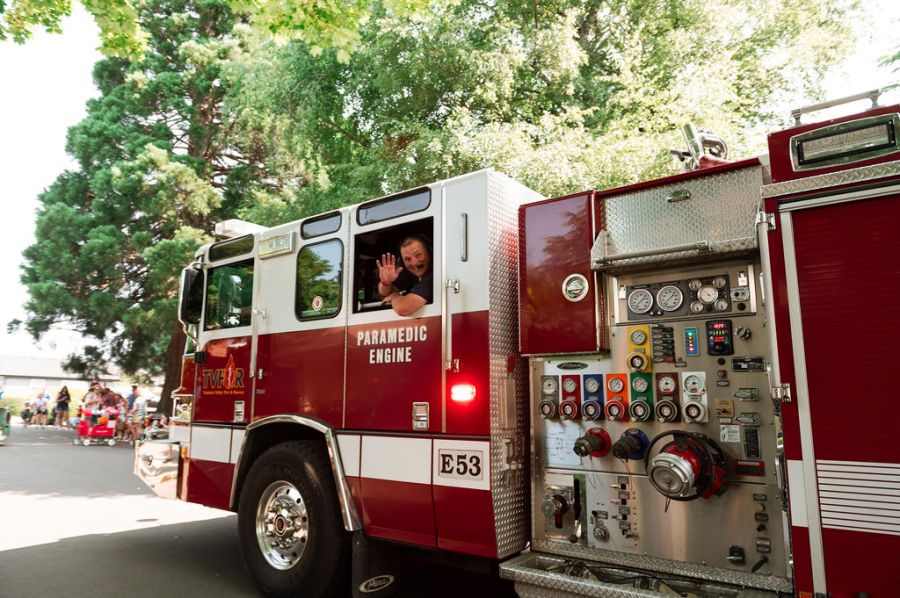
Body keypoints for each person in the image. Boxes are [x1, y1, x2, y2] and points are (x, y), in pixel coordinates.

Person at [376, 235, 433, 316]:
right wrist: (385, 282)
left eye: (418, 255)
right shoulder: (410, 274)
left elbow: (403, 309)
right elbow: (384, 292)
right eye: (407, 259)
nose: (414, 263)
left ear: (429, 253)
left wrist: (394, 296)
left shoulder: (434, 276)